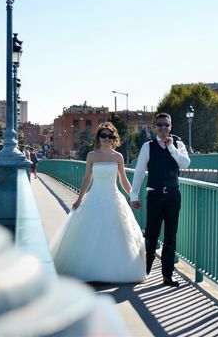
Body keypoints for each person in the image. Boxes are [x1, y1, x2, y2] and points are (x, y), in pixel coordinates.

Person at [51, 122, 146, 283]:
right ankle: (92, 270)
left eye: (110, 136)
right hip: (94, 197)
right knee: (91, 234)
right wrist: (80, 199)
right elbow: (87, 178)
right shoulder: (92, 156)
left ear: (114, 138)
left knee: (116, 235)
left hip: (114, 199)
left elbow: (123, 180)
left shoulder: (118, 157)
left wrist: (133, 196)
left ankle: (112, 270)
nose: (107, 139)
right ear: (98, 138)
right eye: (103, 135)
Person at [130, 112, 190, 288]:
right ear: (154, 127)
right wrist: (134, 195)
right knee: (151, 235)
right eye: (160, 125)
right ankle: (145, 270)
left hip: (173, 195)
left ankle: (167, 275)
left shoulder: (178, 144)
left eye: (166, 125)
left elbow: (185, 164)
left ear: (170, 127)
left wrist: (171, 148)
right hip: (155, 195)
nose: (163, 128)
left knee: (171, 236)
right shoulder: (148, 146)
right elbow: (140, 172)